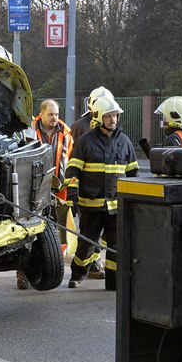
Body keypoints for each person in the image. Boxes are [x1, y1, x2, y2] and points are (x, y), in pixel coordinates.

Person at [65, 96, 139, 290]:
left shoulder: (125, 142)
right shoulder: (84, 142)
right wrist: (72, 197)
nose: (113, 119)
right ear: (98, 117)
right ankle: (78, 274)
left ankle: (113, 282)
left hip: (116, 206)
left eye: (115, 115)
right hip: (91, 205)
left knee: (115, 245)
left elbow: (133, 174)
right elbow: (72, 172)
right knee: (87, 243)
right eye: (108, 116)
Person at [17, 99, 73, 290]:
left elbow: (70, 160)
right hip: (32, 191)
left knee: (53, 233)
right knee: (28, 232)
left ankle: (49, 268)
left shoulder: (66, 134)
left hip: (58, 190)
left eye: (57, 114)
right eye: (51, 114)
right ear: (41, 115)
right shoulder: (29, 132)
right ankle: (22, 273)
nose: (55, 118)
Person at [68, 86, 115, 280]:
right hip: (90, 195)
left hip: (110, 198)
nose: (112, 119)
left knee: (107, 238)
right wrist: (73, 191)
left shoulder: (115, 132)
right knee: (89, 236)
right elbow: (75, 161)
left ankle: (96, 264)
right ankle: (84, 268)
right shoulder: (81, 127)